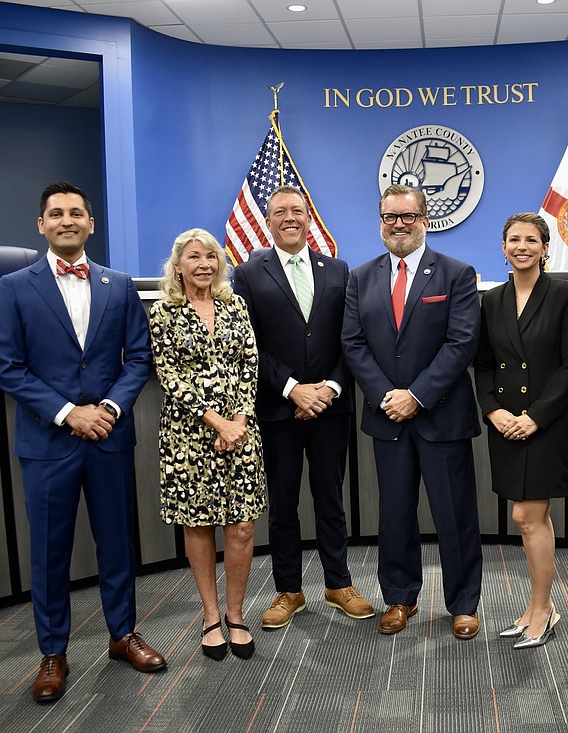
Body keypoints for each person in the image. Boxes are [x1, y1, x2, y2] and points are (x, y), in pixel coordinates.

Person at [0, 181, 166, 703]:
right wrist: (71, 414)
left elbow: (138, 358)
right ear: (41, 225)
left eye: (76, 213)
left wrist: (108, 409)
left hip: (109, 437)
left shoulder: (120, 285)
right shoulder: (15, 287)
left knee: (117, 541)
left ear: (91, 223)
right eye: (56, 214)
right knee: (50, 552)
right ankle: (53, 652)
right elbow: (8, 368)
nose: (67, 220)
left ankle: (122, 635)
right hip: (48, 443)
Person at [341, 184, 483, 639]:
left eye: (407, 216)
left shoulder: (457, 275)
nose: (398, 224)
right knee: (395, 514)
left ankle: (463, 605)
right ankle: (399, 598)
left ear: (426, 220)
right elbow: (353, 343)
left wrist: (416, 396)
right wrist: (388, 395)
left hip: (442, 416)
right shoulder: (360, 277)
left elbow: (461, 343)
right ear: (380, 221)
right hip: (388, 418)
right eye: (389, 217)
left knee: (454, 515)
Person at [231, 187, 374, 629]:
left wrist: (328, 388)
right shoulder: (248, 274)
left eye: (298, 211)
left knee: (331, 499)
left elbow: (349, 338)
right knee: (284, 504)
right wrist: (293, 390)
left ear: (309, 219)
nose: (289, 218)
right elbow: (247, 344)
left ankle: (338, 583)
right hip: (278, 409)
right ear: (268, 221)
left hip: (330, 408)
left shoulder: (338, 270)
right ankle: (288, 590)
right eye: (280, 212)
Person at [149, 228, 267, 662]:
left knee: (241, 526)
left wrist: (237, 422)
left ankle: (236, 614)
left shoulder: (234, 305)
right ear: (177, 265)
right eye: (194, 257)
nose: (204, 264)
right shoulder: (162, 312)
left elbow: (250, 363)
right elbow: (169, 375)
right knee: (198, 525)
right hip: (189, 435)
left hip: (240, 430)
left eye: (211, 257)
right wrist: (215, 420)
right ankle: (210, 615)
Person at [474, 213, 568, 649]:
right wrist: (492, 411)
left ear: (544, 247)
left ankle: (543, 609)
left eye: (531, 240)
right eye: (514, 240)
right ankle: (536, 606)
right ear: (503, 247)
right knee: (527, 519)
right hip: (505, 424)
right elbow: (482, 364)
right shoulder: (492, 300)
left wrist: (535, 416)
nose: (522, 246)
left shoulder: (566, 295)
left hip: (544, 423)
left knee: (528, 516)